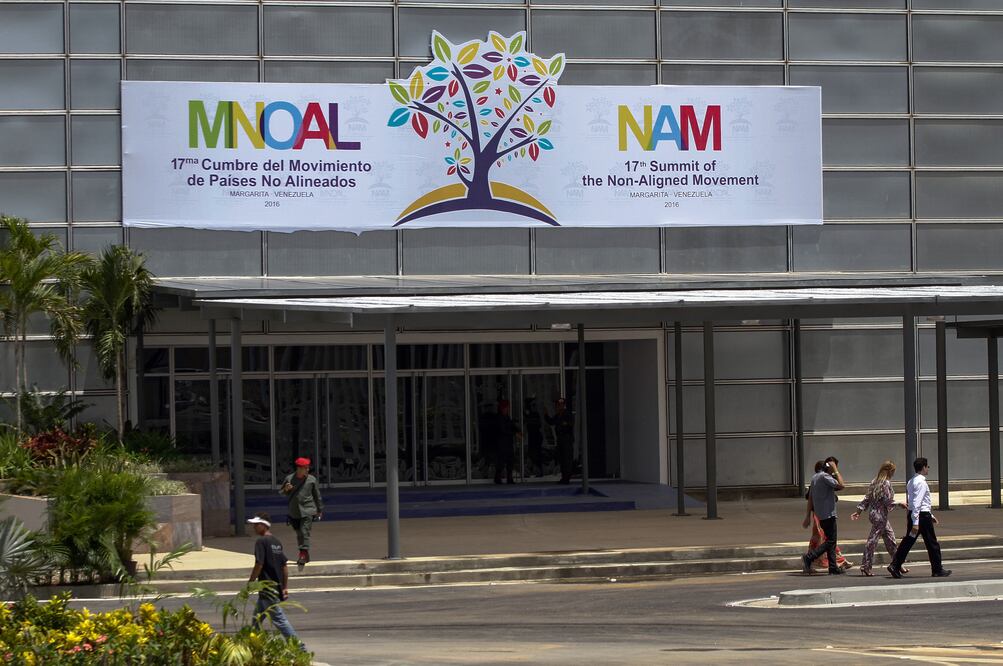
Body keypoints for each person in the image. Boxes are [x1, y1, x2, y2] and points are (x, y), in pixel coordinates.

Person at [246, 513, 306, 652]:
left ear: (264, 525)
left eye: (256, 525)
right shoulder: (276, 542)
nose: (254, 527)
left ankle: (299, 648)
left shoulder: (261, 542)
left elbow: (259, 564)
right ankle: (251, 645)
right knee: (257, 619)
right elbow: (284, 566)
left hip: (267, 588)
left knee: (279, 620)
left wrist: (251, 581)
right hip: (274, 588)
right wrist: (284, 587)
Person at [888, 457, 952, 579]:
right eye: (927, 467)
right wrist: (917, 522)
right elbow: (918, 503)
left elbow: (913, 502)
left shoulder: (911, 481)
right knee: (932, 543)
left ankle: (895, 565)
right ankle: (937, 569)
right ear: (923, 467)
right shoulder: (921, 482)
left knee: (908, 541)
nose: (928, 469)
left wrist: (928, 516)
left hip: (915, 515)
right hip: (921, 518)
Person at [851, 460, 909, 576]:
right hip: (880, 515)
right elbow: (887, 501)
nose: (893, 474)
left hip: (874, 514)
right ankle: (866, 566)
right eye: (893, 472)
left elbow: (867, 498)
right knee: (873, 541)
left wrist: (858, 511)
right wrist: (899, 504)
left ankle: (898, 564)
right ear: (890, 471)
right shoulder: (886, 483)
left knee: (890, 539)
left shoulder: (874, 481)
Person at [803, 460, 853, 573]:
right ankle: (810, 557)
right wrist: (835, 470)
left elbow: (810, 498)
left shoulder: (815, 477)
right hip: (828, 514)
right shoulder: (825, 477)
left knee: (831, 540)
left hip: (821, 514)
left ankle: (833, 567)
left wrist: (807, 516)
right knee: (830, 541)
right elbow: (841, 485)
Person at [280, 457, 323, 566]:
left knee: (305, 532)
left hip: (308, 510)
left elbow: (317, 496)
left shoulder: (311, 479)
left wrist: (319, 509)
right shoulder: (289, 478)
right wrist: (286, 489)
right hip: (294, 511)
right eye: (305, 468)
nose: (307, 470)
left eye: (308, 468)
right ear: (299, 468)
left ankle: (302, 554)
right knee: (299, 533)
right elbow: (282, 492)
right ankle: (304, 553)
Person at [546, 397, 575, 484]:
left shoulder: (567, 414)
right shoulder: (558, 415)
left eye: (561, 405)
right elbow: (551, 421)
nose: (559, 407)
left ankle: (567, 477)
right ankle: (564, 477)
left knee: (567, 459)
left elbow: (570, 424)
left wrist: (565, 424)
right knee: (562, 459)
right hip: (560, 439)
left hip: (567, 439)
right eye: (558, 405)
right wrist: (546, 415)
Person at [493, 400, 520, 484]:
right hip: (502, 443)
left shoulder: (507, 417)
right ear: (502, 408)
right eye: (506, 407)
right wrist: (514, 434)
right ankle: (498, 478)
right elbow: (503, 430)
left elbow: (511, 425)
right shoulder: (499, 418)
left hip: (508, 443)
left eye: (508, 408)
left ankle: (509, 478)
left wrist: (517, 430)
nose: (507, 409)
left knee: (510, 461)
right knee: (501, 461)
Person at [523, 397, 545, 477]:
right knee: (532, 454)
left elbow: (537, 424)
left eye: (534, 405)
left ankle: (538, 471)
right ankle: (533, 471)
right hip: (532, 438)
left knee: (536, 455)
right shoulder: (531, 415)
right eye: (532, 405)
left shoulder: (535, 415)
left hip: (535, 437)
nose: (534, 407)